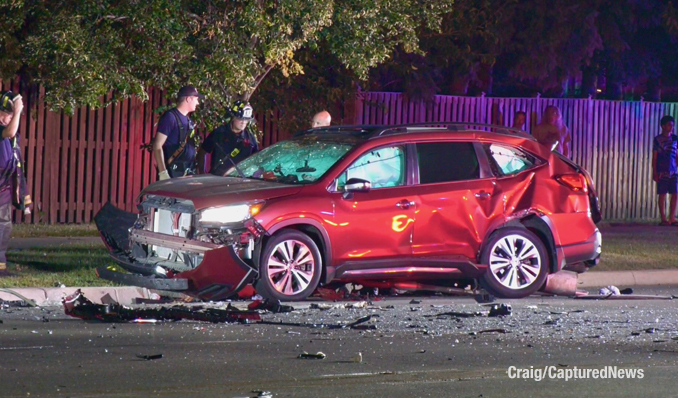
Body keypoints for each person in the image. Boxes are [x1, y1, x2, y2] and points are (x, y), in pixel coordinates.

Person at [152, 85, 203, 180]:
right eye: (196, 99)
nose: (198, 103)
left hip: (187, 172)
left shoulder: (189, 121)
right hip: (173, 173)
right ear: (188, 99)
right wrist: (163, 173)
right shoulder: (170, 117)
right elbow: (157, 145)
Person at [198, 100, 259, 176]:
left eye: (246, 119)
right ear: (233, 117)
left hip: (241, 181)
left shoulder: (250, 138)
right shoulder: (219, 133)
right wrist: (202, 171)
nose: (243, 122)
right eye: (240, 118)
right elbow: (202, 152)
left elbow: (257, 159)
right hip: (219, 180)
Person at [0, 91, 24, 274]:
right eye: (5, 113)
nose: (6, 118)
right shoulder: (4, 130)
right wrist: (17, 112)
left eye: (9, 114)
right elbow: (9, 132)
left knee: (4, 224)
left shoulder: (11, 133)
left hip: (4, 185)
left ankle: (0, 265)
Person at [652, 115, 678, 226]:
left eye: (672, 124)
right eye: (669, 125)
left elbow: (676, 154)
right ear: (663, 126)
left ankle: (672, 217)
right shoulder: (658, 140)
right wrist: (654, 172)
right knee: (662, 194)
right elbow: (655, 156)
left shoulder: (675, 138)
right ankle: (663, 218)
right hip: (662, 170)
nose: (671, 127)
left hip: (673, 170)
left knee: (675, 193)